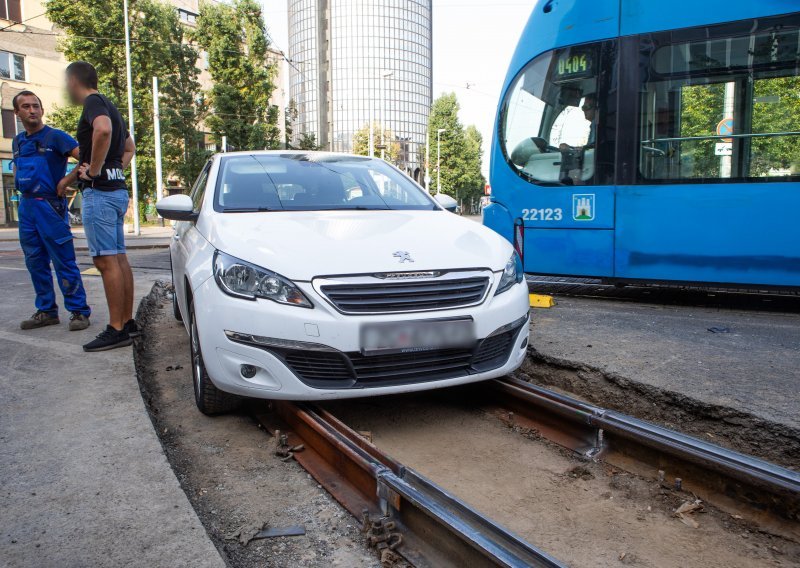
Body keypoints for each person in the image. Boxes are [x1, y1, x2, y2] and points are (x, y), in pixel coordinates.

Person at [64, 61, 138, 352]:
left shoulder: (93, 102)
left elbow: (103, 130)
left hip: (101, 193)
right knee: (118, 259)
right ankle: (128, 323)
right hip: (116, 190)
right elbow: (130, 146)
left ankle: (117, 328)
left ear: (73, 81)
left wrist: (95, 171)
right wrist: (113, 169)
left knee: (106, 262)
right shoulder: (110, 104)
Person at [13, 91, 92, 332]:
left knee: (63, 260)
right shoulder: (18, 141)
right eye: (26, 107)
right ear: (17, 113)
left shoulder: (56, 137)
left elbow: (86, 158)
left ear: (42, 110)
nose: (32, 110)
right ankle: (47, 311)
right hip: (26, 207)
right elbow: (17, 167)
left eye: (36, 106)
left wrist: (66, 181)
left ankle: (79, 311)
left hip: (50, 206)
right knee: (35, 261)